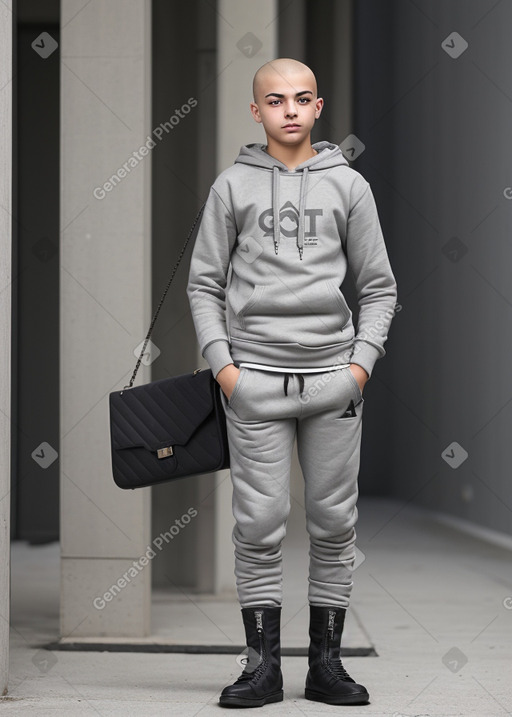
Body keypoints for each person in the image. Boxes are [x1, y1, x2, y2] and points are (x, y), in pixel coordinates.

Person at [187, 57, 398, 708]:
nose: (289, 110)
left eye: (301, 99)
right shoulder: (231, 188)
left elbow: (379, 288)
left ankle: (327, 665)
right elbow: (203, 284)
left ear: (318, 106)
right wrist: (227, 370)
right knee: (260, 521)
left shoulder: (349, 188)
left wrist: (358, 367)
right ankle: (262, 667)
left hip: (334, 378)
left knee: (334, 521)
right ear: (257, 112)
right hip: (254, 379)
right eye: (275, 100)